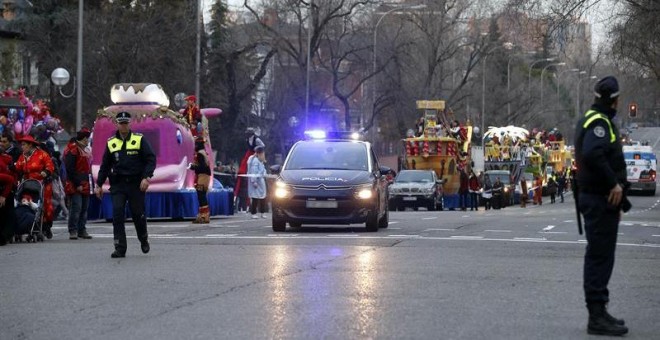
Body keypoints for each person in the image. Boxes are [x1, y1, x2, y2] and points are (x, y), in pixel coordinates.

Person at [574, 76, 629, 336]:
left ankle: (600, 310)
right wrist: (614, 185)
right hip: (598, 198)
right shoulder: (598, 122)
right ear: (613, 100)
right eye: (617, 99)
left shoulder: (597, 118)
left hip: (601, 200)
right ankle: (596, 317)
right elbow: (593, 153)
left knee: (603, 256)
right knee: (599, 257)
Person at [95, 111, 156, 258]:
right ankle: (120, 247)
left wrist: (146, 177)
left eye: (125, 123)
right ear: (116, 124)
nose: (123, 125)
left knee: (137, 214)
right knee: (117, 214)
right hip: (118, 185)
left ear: (130, 123)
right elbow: (105, 165)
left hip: (136, 184)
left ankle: (143, 238)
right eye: (121, 123)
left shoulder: (139, 139)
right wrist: (99, 184)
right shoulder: (111, 142)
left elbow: (150, 159)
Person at [14, 135, 55, 239]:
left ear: (30, 145)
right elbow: (18, 167)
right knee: (27, 202)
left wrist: (46, 172)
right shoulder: (22, 156)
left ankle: (46, 226)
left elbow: (50, 166)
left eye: (24, 145)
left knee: (45, 205)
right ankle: (29, 225)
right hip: (27, 184)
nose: (22, 147)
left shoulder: (42, 154)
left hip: (42, 183)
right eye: (21, 145)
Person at [63, 128, 93, 240]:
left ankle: (82, 229)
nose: (87, 141)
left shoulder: (86, 150)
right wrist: (77, 183)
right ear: (83, 139)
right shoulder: (73, 150)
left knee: (85, 208)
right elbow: (70, 169)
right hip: (75, 183)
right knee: (76, 207)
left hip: (85, 181)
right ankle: (73, 230)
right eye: (86, 139)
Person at [235, 127, 264, 213]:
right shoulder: (247, 140)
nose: (247, 135)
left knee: (253, 163)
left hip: (255, 153)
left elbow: (263, 145)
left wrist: (257, 151)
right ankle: (243, 171)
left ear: (251, 133)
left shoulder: (257, 139)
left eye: (248, 133)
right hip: (249, 153)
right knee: (245, 162)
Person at [189, 138, 211, 224]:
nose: (195, 146)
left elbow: (202, 167)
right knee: (201, 196)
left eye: (196, 144)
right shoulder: (203, 152)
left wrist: (193, 167)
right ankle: (203, 215)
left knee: (201, 195)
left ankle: (204, 216)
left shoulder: (200, 154)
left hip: (203, 176)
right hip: (204, 176)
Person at [247, 146, 268, 219]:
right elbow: (253, 172)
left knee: (263, 197)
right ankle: (253, 213)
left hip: (261, 181)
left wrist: (265, 174)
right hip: (256, 182)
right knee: (255, 198)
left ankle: (262, 212)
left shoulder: (260, 161)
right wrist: (254, 181)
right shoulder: (255, 161)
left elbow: (264, 170)